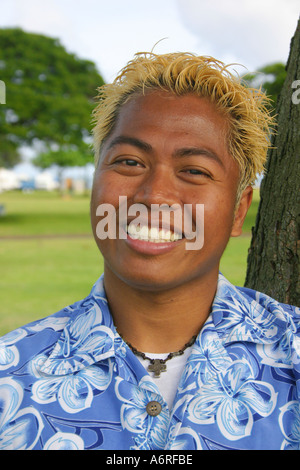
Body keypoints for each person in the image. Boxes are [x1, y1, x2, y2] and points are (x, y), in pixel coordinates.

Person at [0, 52, 299, 451]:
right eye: (129, 162)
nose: (154, 196)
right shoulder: (10, 376)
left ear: (238, 210)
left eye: (194, 170)